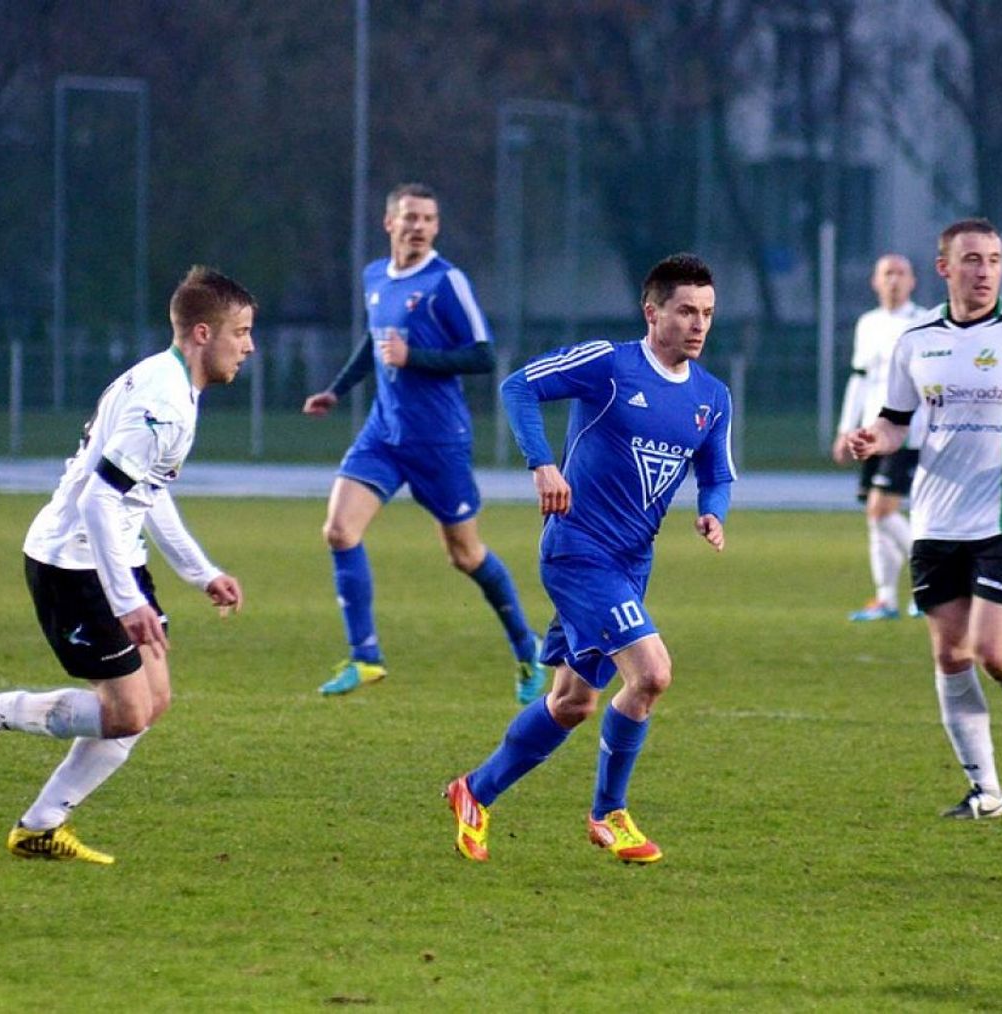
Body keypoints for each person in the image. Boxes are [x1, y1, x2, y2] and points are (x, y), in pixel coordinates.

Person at [0, 266, 255, 864]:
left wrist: (201, 572)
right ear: (202, 333)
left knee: (152, 702)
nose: (250, 347)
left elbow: (147, 492)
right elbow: (98, 500)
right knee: (127, 711)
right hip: (71, 564)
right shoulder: (163, 401)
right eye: (240, 332)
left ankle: (40, 826)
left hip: (114, 558)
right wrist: (128, 601)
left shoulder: (172, 384)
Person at [444, 253, 736, 864]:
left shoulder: (712, 397)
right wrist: (542, 464)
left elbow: (716, 472)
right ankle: (609, 814)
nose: (699, 324)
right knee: (651, 674)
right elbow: (518, 386)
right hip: (578, 551)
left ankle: (475, 791)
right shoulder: (609, 364)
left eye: (707, 313)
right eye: (686, 311)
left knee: (572, 702)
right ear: (652, 312)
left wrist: (713, 511)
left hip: (632, 564)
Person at [849, 218, 1002, 820]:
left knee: (991, 650)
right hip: (936, 518)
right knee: (950, 655)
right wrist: (874, 438)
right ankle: (986, 792)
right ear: (944, 268)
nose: (984, 271)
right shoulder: (915, 340)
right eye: (971, 260)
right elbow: (896, 421)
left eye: (993, 259)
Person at [302, 182, 548, 703]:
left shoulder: (446, 282)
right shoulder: (374, 275)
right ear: (389, 222)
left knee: (465, 554)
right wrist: (336, 390)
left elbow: (482, 355)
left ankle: (527, 647)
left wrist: (414, 358)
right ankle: (366, 657)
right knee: (339, 531)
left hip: (438, 441)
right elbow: (376, 342)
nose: (419, 227)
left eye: (428, 219)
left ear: (436, 227)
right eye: (410, 217)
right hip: (384, 434)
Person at [831, 253, 925, 621]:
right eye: (887, 273)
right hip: (872, 432)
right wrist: (846, 429)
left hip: (905, 433)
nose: (894, 280)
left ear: (913, 281)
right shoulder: (868, 324)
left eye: (901, 273)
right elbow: (859, 378)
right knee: (876, 517)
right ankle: (886, 598)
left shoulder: (923, 323)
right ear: (875, 281)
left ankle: (935, 580)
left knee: (881, 510)